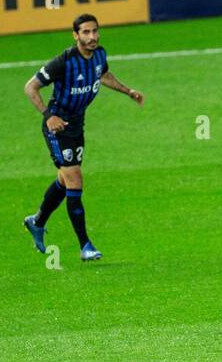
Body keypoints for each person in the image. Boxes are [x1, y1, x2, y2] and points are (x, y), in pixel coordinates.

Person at [22, 13, 144, 262]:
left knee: (65, 180)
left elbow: (103, 75)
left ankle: (37, 221)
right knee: (75, 179)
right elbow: (30, 86)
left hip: (77, 125)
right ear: (75, 35)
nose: (92, 37)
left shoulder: (99, 55)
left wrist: (127, 91)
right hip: (58, 127)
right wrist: (48, 116)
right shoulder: (64, 62)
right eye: (86, 32)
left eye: (95, 31)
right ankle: (85, 245)